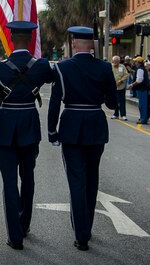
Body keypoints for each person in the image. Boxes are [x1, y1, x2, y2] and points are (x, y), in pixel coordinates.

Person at [0, 21, 54, 250]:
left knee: (9, 182)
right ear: (31, 40)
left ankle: (15, 236)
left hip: (4, 127)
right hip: (29, 126)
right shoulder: (41, 66)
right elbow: (55, 77)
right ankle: (24, 224)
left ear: (11, 39)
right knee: (28, 178)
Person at [47, 26, 117, 252]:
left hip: (72, 124)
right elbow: (113, 104)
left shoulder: (63, 67)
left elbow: (55, 101)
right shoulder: (105, 67)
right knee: (92, 178)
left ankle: (81, 234)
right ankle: (86, 227)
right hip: (96, 124)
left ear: (75, 43)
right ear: (92, 45)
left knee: (76, 180)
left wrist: (51, 130)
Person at [127, 56, 150, 124]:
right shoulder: (141, 69)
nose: (135, 63)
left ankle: (143, 119)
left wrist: (132, 85)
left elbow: (139, 80)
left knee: (142, 104)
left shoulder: (140, 69)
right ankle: (143, 117)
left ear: (139, 62)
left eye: (136, 61)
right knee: (142, 104)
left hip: (142, 89)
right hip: (142, 89)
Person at [110, 56, 128, 121]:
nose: (115, 63)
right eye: (114, 61)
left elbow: (126, 75)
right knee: (115, 101)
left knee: (122, 101)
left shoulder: (122, 67)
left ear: (119, 61)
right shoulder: (110, 67)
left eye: (117, 61)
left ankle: (123, 115)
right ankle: (116, 114)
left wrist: (121, 80)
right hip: (113, 87)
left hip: (121, 87)